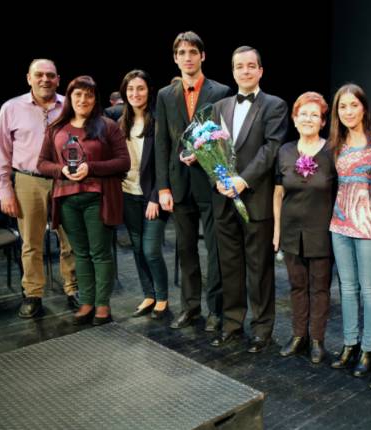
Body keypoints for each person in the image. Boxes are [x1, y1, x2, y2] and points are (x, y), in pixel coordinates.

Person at [210, 46, 288, 353]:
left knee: (259, 269)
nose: (245, 71)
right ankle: (232, 324)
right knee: (229, 266)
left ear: (260, 71)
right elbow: (212, 150)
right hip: (224, 199)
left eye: (251, 66)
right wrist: (218, 178)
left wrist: (243, 180)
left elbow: (271, 148)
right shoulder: (220, 107)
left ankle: (262, 329)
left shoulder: (275, 105)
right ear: (233, 71)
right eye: (239, 66)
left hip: (255, 198)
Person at [37, 75, 130, 325]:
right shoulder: (56, 128)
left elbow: (124, 162)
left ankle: (102, 304)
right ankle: (87, 301)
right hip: (67, 199)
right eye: (78, 94)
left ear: (95, 99)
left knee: (99, 253)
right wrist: (61, 170)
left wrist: (92, 167)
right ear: (69, 97)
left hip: (97, 198)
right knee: (80, 253)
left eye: (88, 95)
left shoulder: (107, 126)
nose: (83, 99)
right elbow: (42, 163)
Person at [155, 31, 231, 330]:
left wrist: (205, 156)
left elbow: (226, 139)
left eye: (193, 52)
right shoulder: (165, 95)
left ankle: (216, 310)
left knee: (215, 250)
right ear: (175, 58)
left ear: (203, 56)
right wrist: (163, 187)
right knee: (185, 249)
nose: (187, 58)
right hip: (179, 184)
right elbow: (162, 143)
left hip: (211, 181)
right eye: (182, 53)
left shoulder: (221, 91)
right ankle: (190, 307)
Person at [0, 59, 78, 318]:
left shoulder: (70, 105)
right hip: (28, 180)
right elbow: (0, 152)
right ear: (29, 78)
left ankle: (73, 288)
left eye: (50, 75)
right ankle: (33, 294)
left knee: (71, 239)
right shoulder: (11, 108)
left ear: (58, 79)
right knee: (31, 242)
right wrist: (5, 190)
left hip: (66, 179)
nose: (45, 79)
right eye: (39, 75)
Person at [327, 84, 371, 377]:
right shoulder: (336, 143)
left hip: (368, 223)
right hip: (339, 223)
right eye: (343, 107)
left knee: (370, 288)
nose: (348, 111)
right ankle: (350, 344)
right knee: (347, 287)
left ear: (364, 107)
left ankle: (369, 348)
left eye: (354, 105)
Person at [273, 92, 336, 364]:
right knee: (297, 286)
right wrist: (276, 231)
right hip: (290, 231)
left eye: (314, 114)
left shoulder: (332, 151)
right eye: (303, 114)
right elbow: (278, 194)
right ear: (294, 119)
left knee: (319, 288)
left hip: (322, 232)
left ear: (323, 121)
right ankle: (299, 336)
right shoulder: (285, 151)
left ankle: (317, 340)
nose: (308, 119)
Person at [119, 70, 170, 319]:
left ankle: (162, 298)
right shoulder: (120, 122)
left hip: (153, 196)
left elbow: (165, 163)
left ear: (149, 91)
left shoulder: (159, 121)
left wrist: (154, 197)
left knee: (151, 250)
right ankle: (148, 295)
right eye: (130, 89)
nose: (135, 93)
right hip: (128, 193)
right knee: (138, 249)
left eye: (140, 88)